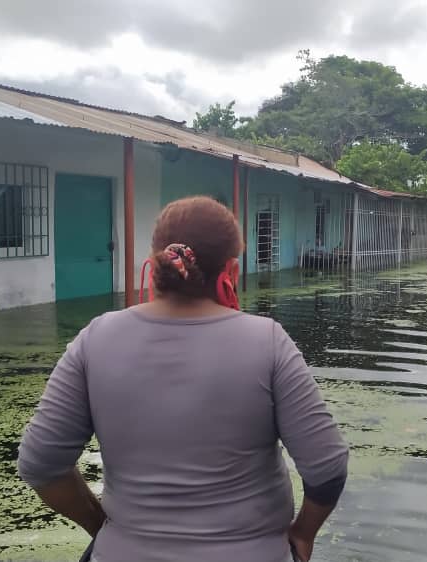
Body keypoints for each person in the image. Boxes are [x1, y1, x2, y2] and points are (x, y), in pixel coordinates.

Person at [17, 196, 349, 562]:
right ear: (232, 271)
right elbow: (327, 468)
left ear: (154, 261)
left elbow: (40, 463)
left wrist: (105, 528)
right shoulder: (268, 341)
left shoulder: (95, 338)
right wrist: (302, 534)